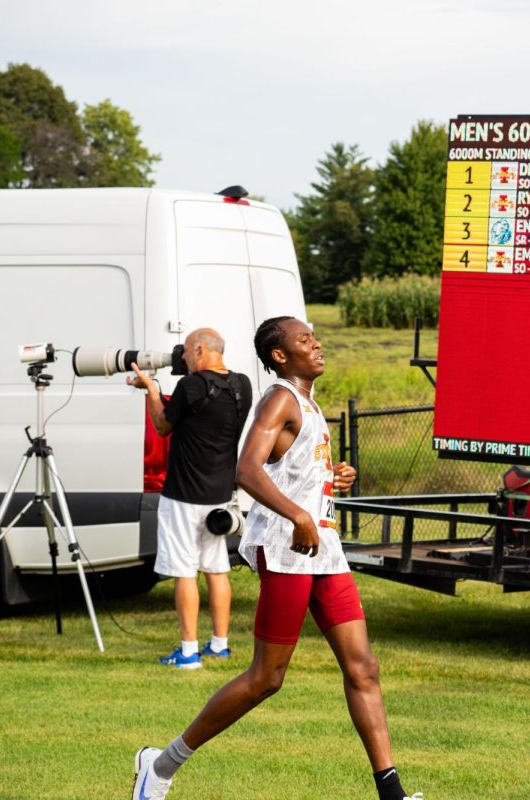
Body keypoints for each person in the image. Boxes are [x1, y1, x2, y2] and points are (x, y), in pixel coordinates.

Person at [133, 316, 420, 800]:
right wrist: (298, 516)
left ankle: (393, 795)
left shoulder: (306, 401)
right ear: (282, 356)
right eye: (305, 339)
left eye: (315, 336)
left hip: (322, 550)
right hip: (288, 549)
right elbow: (246, 468)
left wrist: (333, 477)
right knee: (267, 678)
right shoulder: (280, 397)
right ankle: (160, 766)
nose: (317, 343)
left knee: (363, 668)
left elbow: (291, 469)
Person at [128, 328, 253, 669]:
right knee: (216, 568)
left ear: (198, 350)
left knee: (184, 572)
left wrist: (151, 390)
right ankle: (220, 645)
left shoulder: (191, 387)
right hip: (219, 496)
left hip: (182, 495)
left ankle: (187, 653)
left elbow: (162, 426)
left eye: (184, 352)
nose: (181, 359)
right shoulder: (243, 386)